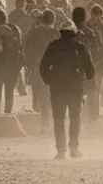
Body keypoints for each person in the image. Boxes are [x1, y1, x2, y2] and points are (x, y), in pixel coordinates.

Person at [40, 20, 95, 160]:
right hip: (75, 88)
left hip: (57, 88)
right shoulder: (79, 47)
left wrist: (49, 80)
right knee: (75, 118)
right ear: (74, 33)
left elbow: (43, 66)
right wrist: (85, 78)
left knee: (58, 119)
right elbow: (90, 71)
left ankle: (60, 150)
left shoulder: (53, 46)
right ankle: (74, 148)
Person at [23, 10, 57, 126]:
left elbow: (27, 48)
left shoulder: (34, 32)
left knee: (42, 95)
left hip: (38, 67)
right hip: (54, 68)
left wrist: (30, 66)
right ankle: (54, 121)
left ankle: (45, 122)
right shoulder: (55, 33)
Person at [0, 10, 24, 115]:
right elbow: (20, 45)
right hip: (13, 66)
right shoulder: (15, 29)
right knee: (9, 92)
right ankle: (8, 114)